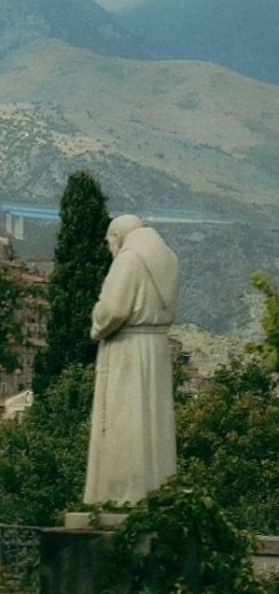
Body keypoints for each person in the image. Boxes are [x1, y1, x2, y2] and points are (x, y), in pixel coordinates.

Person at [83, 215, 181, 506]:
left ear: (117, 235)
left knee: (125, 419)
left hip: (128, 348)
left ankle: (122, 495)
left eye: (109, 241)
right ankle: (154, 491)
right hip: (156, 348)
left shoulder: (129, 258)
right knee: (153, 422)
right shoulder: (168, 258)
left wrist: (96, 323)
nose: (110, 247)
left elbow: (113, 309)